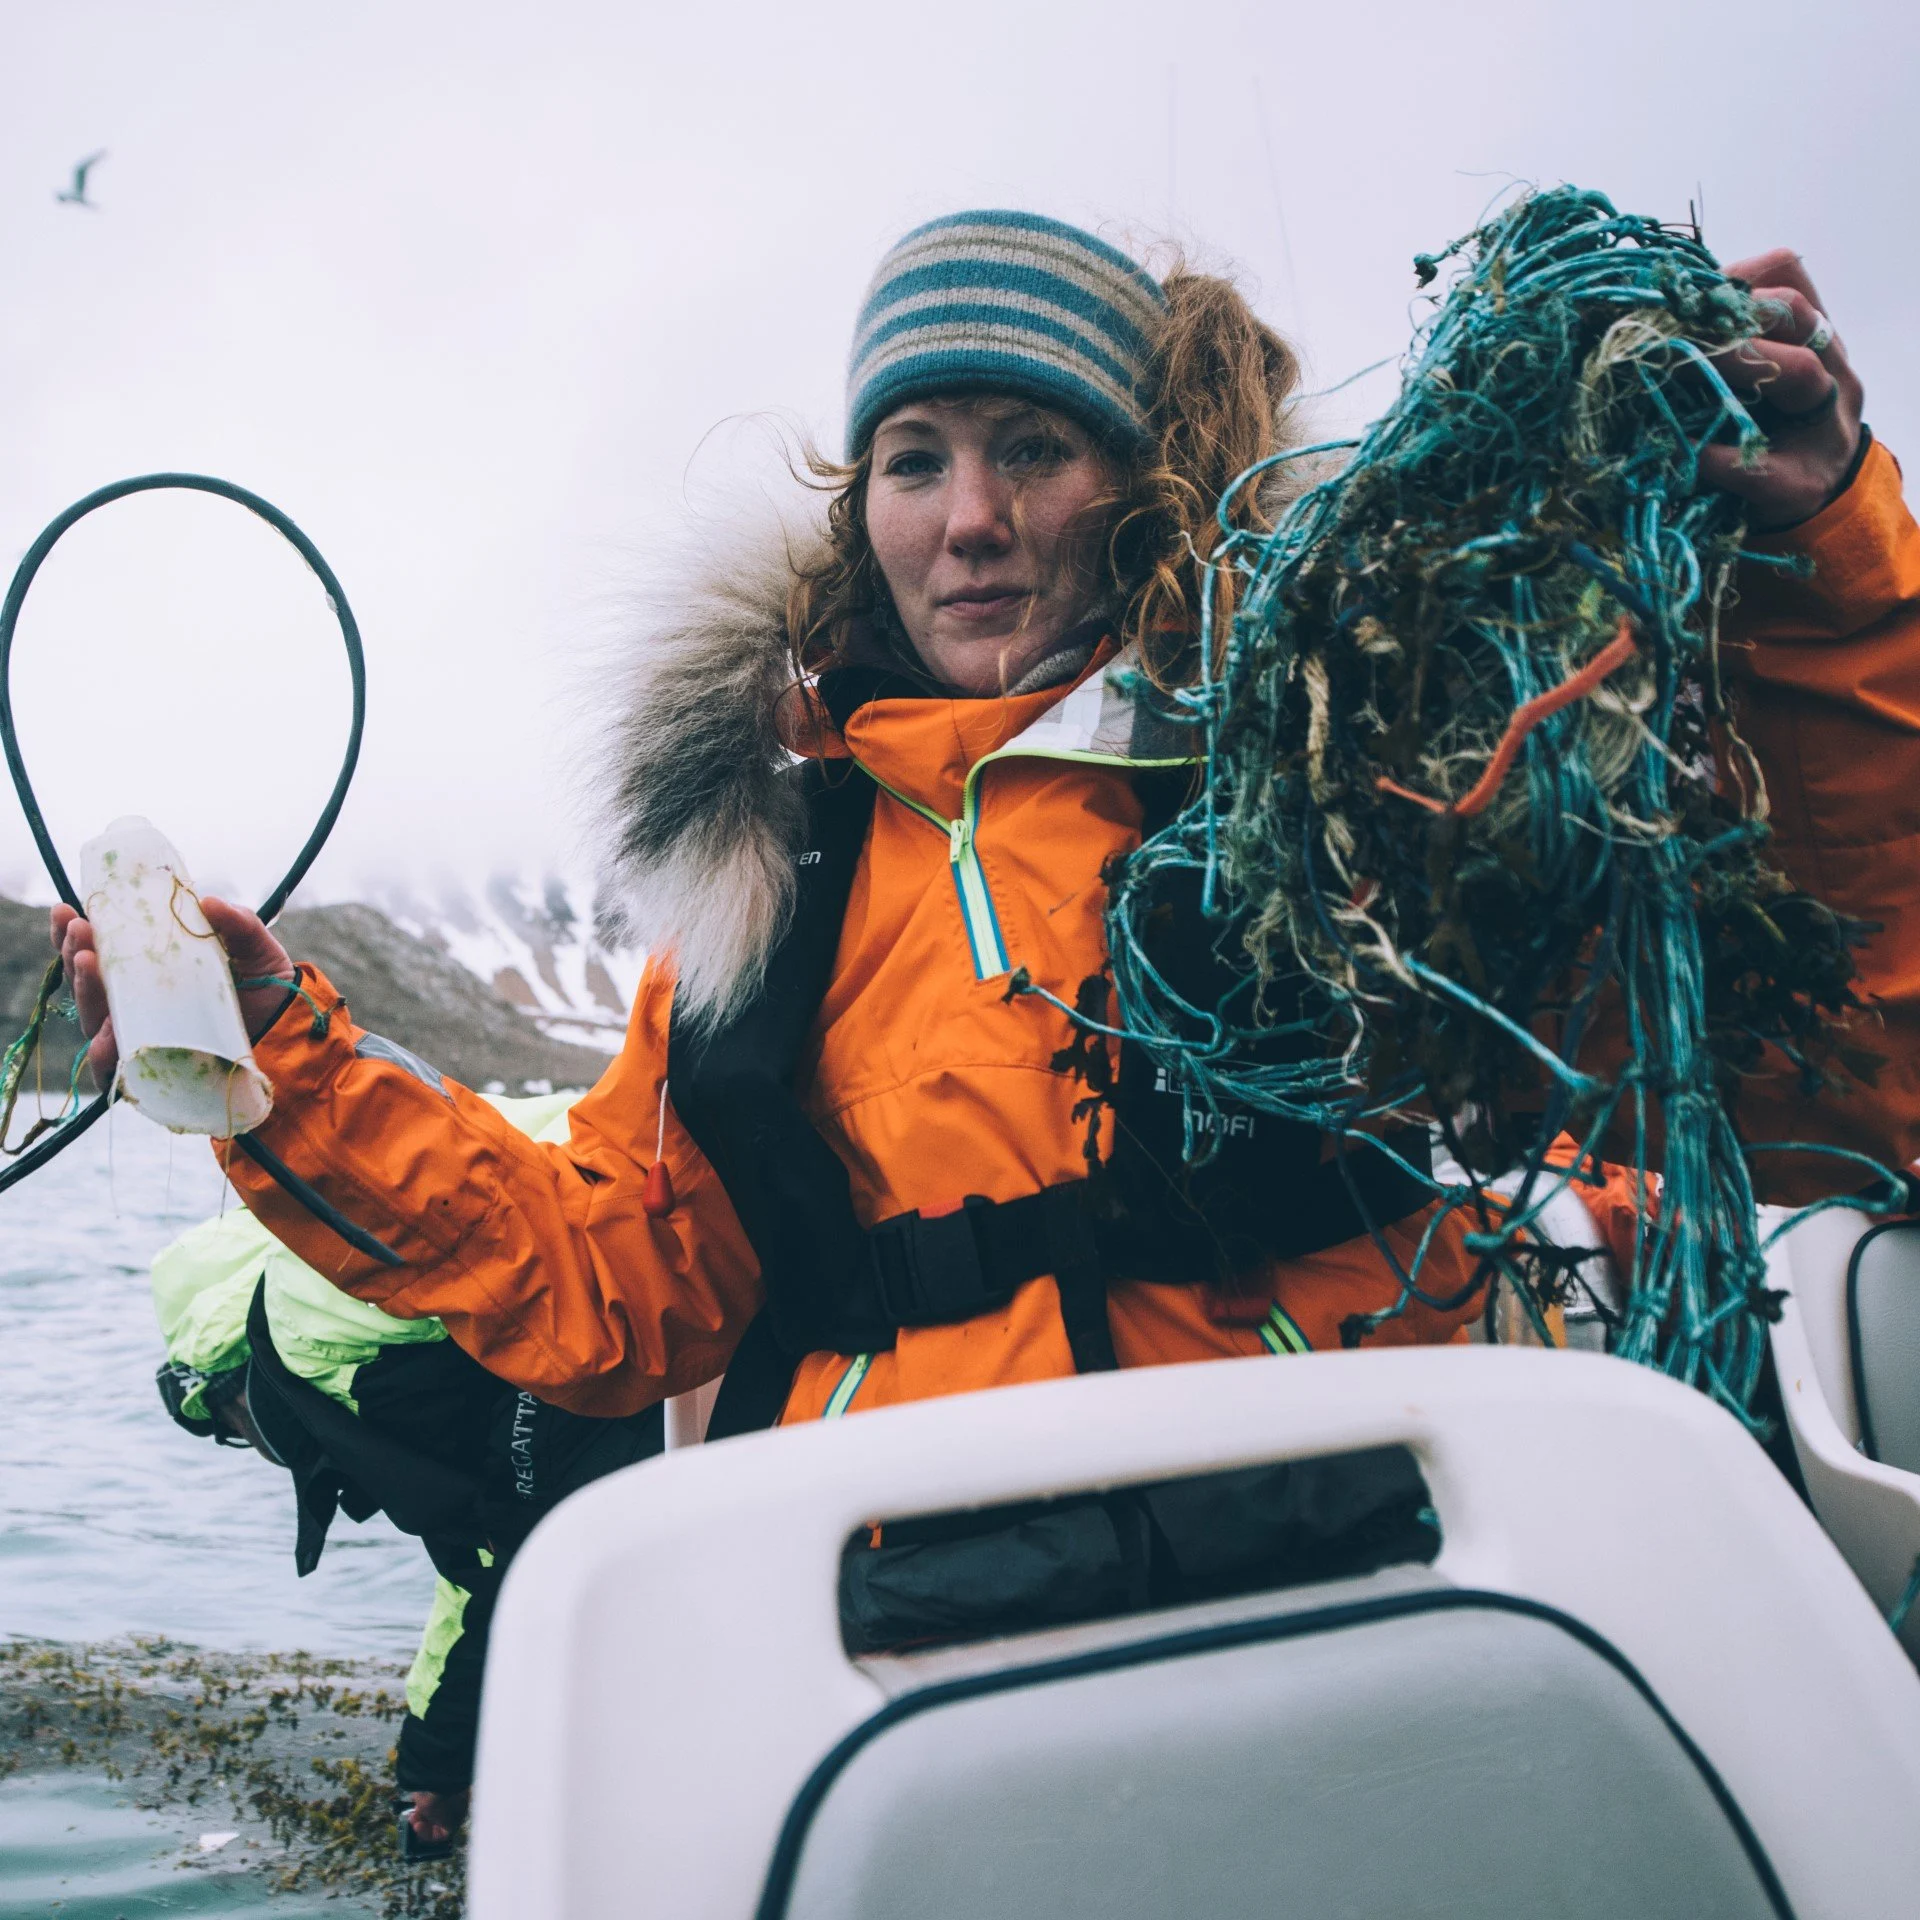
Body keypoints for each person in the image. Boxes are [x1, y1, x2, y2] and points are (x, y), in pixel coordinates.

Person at [50, 211, 1920, 1452]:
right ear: (855, 500)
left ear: (1140, 479)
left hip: (1350, 1551)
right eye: (916, 456)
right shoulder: (766, 888)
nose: (970, 520)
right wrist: (286, 1056)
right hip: (892, 1623)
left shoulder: (1353, 784)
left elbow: (1824, 1085)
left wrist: (1828, 566)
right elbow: (611, 1288)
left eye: (1034, 446)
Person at [149, 1091, 663, 1846]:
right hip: (668, 1211)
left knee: (554, 1548)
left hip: (641, 1243)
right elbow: (473, 1564)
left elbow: (526, 1266)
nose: (251, 1449)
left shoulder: (300, 1314)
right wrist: (435, 1762)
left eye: (229, 1429)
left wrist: (528, 1505)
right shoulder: (312, 1289)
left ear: (229, 1385)